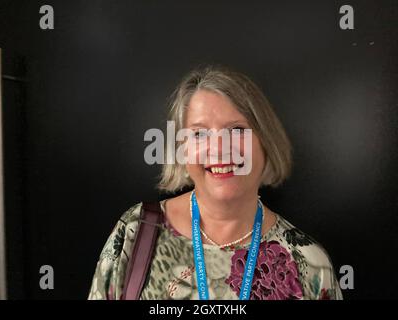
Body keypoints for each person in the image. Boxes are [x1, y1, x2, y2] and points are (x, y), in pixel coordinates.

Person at [88, 65, 343, 300]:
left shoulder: (308, 263)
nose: (219, 149)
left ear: (266, 143)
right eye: (199, 133)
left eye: (236, 130)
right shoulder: (136, 231)